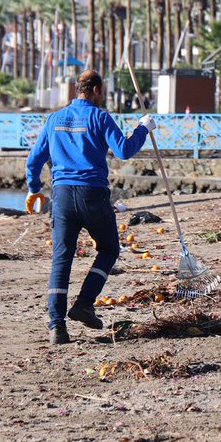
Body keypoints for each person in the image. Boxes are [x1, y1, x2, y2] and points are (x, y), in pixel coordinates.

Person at [25, 69, 155, 345]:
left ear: (77, 89)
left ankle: (56, 326)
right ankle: (84, 303)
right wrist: (143, 128)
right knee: (109, 249)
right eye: (102, 91)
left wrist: (34, 188)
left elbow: (34, 161)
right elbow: (124, 150)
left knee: (62, 260)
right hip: (92, 194)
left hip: (61, 197)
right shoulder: (99, 117)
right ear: (95, 90)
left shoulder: (54, 119)